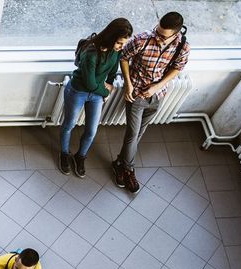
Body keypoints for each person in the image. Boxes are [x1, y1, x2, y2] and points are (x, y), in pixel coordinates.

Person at [113, 11, 190, 193]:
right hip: (137, 93)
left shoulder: (183, 46)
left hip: (157, 95)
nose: (158, 36)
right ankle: (128, 169)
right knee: (132, 133)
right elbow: (123, 57)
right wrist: (128, 85)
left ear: (176, 33)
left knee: (140, 132)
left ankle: (119, 162)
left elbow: (177, 68)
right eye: (158, 30)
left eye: (164, 35)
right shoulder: (142, 40)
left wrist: (158, 87)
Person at [59, 18, 133, 178]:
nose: (122, 47)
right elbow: (89, 82)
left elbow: (113, 71)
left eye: (123, 44)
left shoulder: (116, 50)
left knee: (91, 130)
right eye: (120, 43)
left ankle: (80, 156)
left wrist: (110, 84)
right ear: (112, 37)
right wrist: (105, 93)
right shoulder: (91, 52)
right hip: (78, 90)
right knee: (69, 124)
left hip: (96, 93)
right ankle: (64, 153)